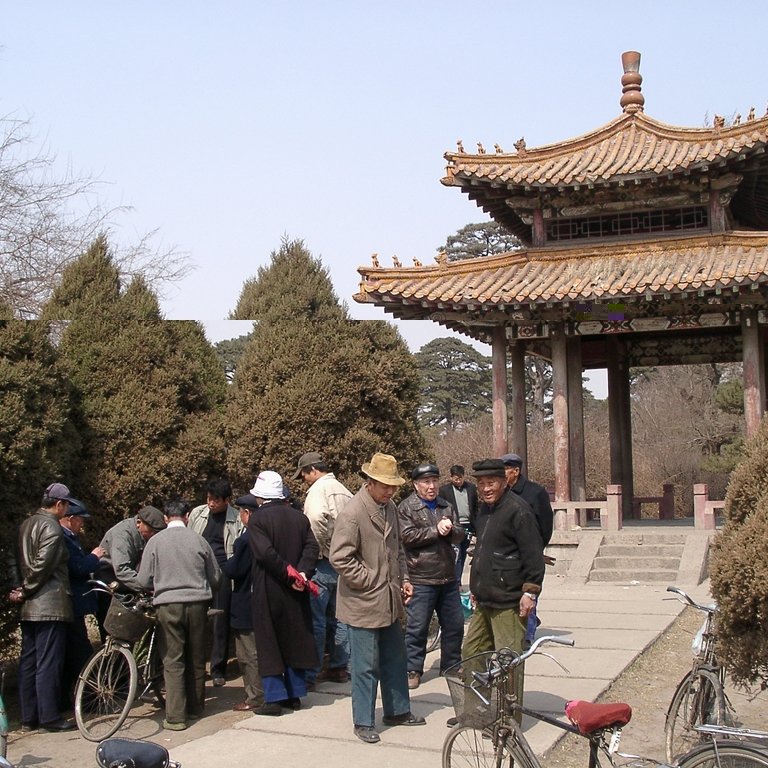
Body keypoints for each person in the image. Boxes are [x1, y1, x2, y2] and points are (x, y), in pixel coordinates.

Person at [330, 452, 425, 745]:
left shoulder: (390, 507)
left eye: (393, 486)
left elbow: (397, 550)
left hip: (390, 599)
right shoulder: (352, 513)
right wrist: (369, 580)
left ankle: (398, 711)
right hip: (363, 601)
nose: (390, 491)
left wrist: (404, 580)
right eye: (385, 485)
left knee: (395, 659)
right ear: (369, 482)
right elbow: (340, 558)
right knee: (365, 665)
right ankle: (363, 721)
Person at [462, 459, 545, 721]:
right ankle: (476, 711)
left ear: (504, 482)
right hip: (485, 599)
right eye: (481, 483)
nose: (486, 488)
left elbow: (534, 555)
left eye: (491, 483)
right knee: (472, 653)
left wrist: (530, 592)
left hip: (509, 601)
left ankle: (508, 720)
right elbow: (483, 551)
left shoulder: (518, 510)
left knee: (507, 662)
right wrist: (476, 586)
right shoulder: (484, 510)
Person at [137, 500, 222, 731]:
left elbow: (143, 579)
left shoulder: (155, 542)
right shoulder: (199, 540)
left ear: (165, 518)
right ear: (187, 516)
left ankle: (175, 717)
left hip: (167, 605)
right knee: (196, 656)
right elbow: (216, 577)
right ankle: (195, 708)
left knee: (173, 660)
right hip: (198, 604)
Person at [248, 471, 319, 716]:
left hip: (269, 586)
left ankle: (274, 697)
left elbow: (265, 554)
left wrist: (289, 575)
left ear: (260, 496)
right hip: (297, 589)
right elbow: (312, 547)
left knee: (269, 640)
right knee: (295, 637)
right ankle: (295, 693)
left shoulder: (257, 520)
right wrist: (302, 574)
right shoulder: (299, 518)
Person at [11, 482, 76, 732]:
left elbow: (16, 560)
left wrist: (18, 589)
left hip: (29, 606)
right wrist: (26, 589)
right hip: (50, 604)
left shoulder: (26, 524)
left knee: (29, 661)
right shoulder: (52, 527)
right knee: (49, 662)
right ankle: (49, 717)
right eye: (66, 505)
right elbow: (43, 565)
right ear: (59, 504)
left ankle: (29, 717)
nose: (67, 509)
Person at [398, 463, 465, 690]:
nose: (431, 486)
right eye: (426, 482)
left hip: (447, 577)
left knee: (454, 625)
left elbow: (460, 534)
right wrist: (436, 530)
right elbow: (407, 537)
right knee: (417, 627)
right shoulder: (407, 507)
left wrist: (452, 530)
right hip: (421, 577)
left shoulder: (446, 505)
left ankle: (451, 664)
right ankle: (412, 668)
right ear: (416, 485)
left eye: (435, 481)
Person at [291, 451, 352, 688]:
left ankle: (311, 673)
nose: (304, 479)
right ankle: (339, 666)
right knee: (340, 618)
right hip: (344, 561)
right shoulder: (343, 490)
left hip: (324, 561)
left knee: (316, 620)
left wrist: (317, 550)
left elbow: (316, 519)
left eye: (304, 474)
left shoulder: (318, 490)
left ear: (313, 470)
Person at [187, 478, 243, 687]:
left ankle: (218, 668)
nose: (211, 503)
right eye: (209, 498)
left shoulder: (236, 519)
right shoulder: (198, 514)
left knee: (220, 621)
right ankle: (195, 667)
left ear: (227, 500)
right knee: (195, 619)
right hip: (197, 571)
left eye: (216, 500)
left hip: (222, 573)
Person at [94, 505, 167, 640]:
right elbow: (122, 570)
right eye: (151, 531)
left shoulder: (145, 535)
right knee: (113, 625)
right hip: (110, 578)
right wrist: (146, 586)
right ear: (139, 522)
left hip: (128, 579)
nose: (153, 535)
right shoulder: (122, 535)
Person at [60, 498, 106, 709]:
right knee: (80, 653)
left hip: (74, 605)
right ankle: (87, 699)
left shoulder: (70, 537)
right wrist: (94, 558)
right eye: (80, 520)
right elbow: (76, 567)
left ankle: (68, 699)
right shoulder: (64, 539)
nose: (82, 525)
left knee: (72, 654)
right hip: (71, 604)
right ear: (70, 519)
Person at [221, 493, 264, 712]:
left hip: (246, 600)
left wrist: (226, 565)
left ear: (247, 513)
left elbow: (234, 569)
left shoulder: (245, 541)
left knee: (248, 654)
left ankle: (255, 696)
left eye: (241, 512)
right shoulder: (265, 535)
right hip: (262, 599)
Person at [500, 454, 554, 548]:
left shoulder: (536, 492)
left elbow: (545, 527)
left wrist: (535, 548)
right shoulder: (500, 492)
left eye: (504, 469)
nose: (501, 474)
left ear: (516, 471)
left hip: (528, 548)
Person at [438, 465, 478, 584]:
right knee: (457, 554)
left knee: (464, 553)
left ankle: (458, 579)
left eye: (460, 478)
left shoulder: (471, 488)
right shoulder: (444, 490)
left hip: (468, 525)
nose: (459, 481)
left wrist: (476, 526)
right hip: (454, 526)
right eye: (456, 478)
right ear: (451, 477)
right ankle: (456, 582)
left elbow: (475, 507)